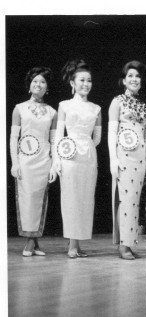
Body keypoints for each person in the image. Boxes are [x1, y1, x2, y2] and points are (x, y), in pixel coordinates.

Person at [52, 59, 102, 259]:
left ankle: (78, 244)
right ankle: (72, 245)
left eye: (89, 80)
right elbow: (58, 134)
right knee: (71, 198)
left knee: (85, 199)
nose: (86, 84)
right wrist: (58, 158)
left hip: (88, 156)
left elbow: (97, 138)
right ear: (72, 82)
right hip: (68, 155)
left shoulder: (96, 108)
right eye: (81, 80)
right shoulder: (64, 105)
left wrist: (86, 145)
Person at [10, 66, 57, 257]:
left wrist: (54, 164)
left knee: (39, 200)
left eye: (43, 82)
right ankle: (29, 241)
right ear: (29, 85)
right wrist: (14, 162)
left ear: (47, 88)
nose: (38, 84)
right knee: (26, 198)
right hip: (25, 161)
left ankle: (35, 242)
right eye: (35, 81)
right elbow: (14, 138)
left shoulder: (52, 112)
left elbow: (54, 141)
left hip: (43, 161)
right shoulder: (19, 108)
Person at [108, 61, 146, 260]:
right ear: (124, 80)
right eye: (131, 76)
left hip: (140, 158)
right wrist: (112, 159)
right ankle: (123, 245)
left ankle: (130, 242)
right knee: (125, 200)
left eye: (138, 76)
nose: (134, 79)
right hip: (123, 157)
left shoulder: (145, 107)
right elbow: (111, 132)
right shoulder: (117, 102)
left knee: (134, 201)